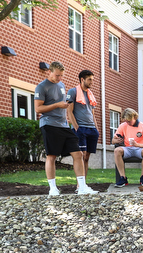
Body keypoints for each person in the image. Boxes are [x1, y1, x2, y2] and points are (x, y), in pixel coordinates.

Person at [34, 61, 97, 196]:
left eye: (61, 76)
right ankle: (53, 188)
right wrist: (57, 105)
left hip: (63, 125)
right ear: (49, 72)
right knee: (51, 156)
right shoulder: (42, 87)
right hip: (49, 124)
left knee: (78, 154)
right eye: (57, 75)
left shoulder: (61, 85)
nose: (59, 78)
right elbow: (38, 109)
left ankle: (82, 187)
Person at [66, 69, 99, 176]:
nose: (92, 82)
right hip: (81, 129)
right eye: (89, 79)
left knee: (87, 157)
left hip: (91, 129)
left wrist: (96, 129)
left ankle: (84, 184)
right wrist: (77, 128)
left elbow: (92, 113)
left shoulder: (90, 94)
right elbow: (69, 111)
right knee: (81, 156)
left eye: (92, 80)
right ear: (82, 79)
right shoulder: (73, 92)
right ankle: (79, 185)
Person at [112, 108, 143, 188]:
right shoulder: (123, 126)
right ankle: (123, 178)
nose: (128, 123)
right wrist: (117, 140)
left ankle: (142, 177)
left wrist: (138, 145)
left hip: (140, 149)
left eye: (129, 121)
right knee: (117, 150)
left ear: (135, 117)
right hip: (128, 148)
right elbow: (113, 141)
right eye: (126, 121)